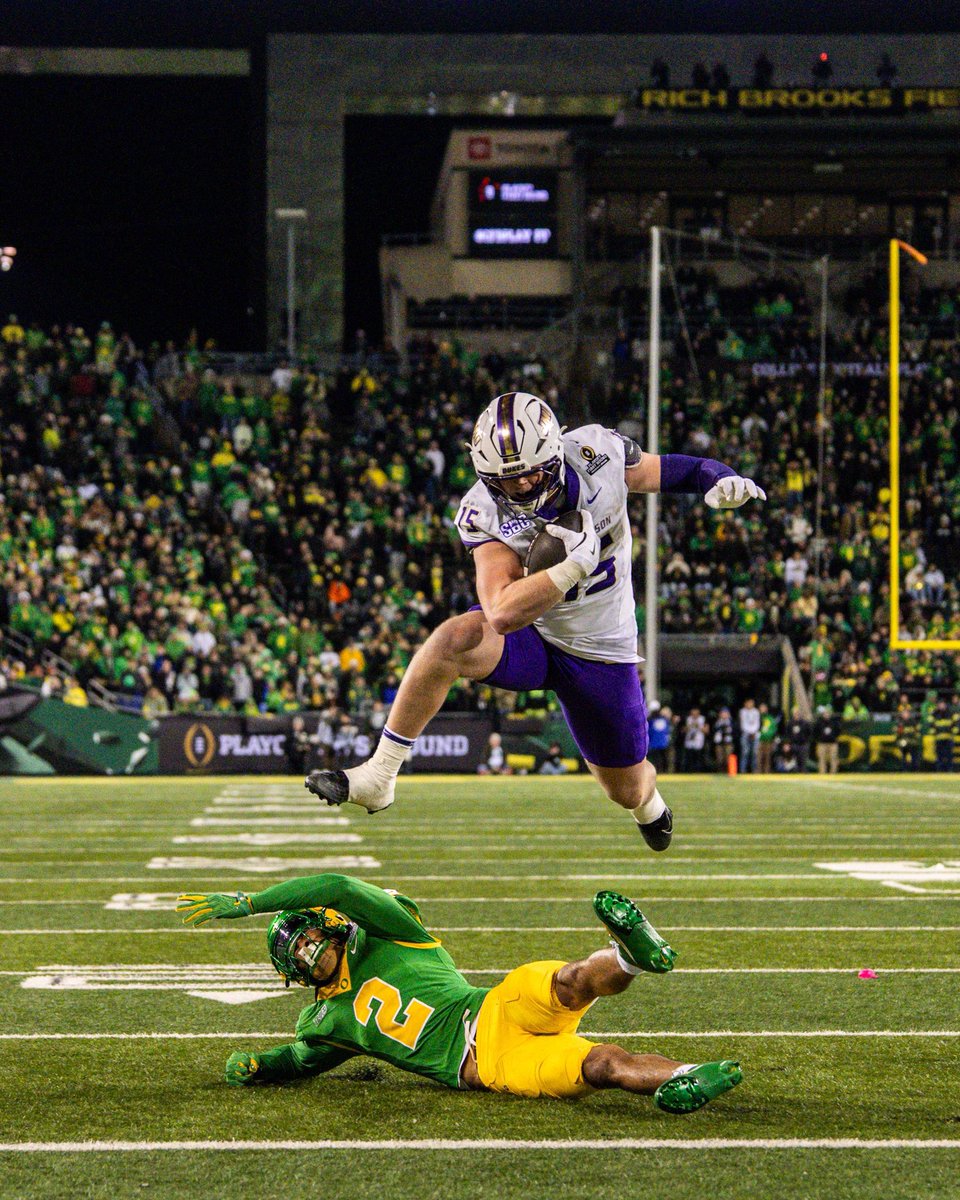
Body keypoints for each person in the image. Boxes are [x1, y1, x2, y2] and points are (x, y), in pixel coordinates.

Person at [305, 392, 765, 852]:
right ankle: (380, 774)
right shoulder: (481, 510)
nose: (522, 485)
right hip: (533, 635)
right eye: (506, 479)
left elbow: (673, 470)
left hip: (600, 648)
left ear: (554, 453)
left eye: (530, 472)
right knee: (455, 638)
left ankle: (651, 807)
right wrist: (567, 570)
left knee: (627, 789)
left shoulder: (596, 453)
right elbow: (502, 612)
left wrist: (720, 479)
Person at [176, 874, 742, 1113]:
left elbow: (342, 887)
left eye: (308, 939)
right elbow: (303, 1060)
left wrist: (252, 902)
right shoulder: (324, 1021)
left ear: (330, 924)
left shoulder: (394, 934)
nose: (309, 953)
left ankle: (626, 952)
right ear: (291, 974)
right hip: (492, 1064)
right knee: (601, 1066)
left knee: (569, 982)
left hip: (492, 1006)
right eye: (296, 952)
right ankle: (689, 1071)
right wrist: (260, 1066)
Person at [813, 705, 841, 774]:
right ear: (823, 714)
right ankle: (822, 774)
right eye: (825, 713)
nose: (826, 715)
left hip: (832, 743)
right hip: (822, 743)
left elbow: (838, 731)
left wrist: (834, 737)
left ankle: (833, 773)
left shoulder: (834, 722)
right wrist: (819, 739)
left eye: (828, 713)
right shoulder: (819, 722)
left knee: (833, 759)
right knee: (822, 759)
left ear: (830, 714)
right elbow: (815, 732)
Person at [738, 697, 760, 773]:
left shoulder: (756, 712)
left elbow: (757, 724)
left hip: (755, 734)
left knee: (755, 753)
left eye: (751, 702)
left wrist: (753, 732)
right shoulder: (742, 712)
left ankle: (754, 770)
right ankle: (743, 770)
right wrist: (749, 732)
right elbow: (743, 724)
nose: (750, 704)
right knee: (745, 752)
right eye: (748, 702)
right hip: (745, 734)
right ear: (745, 703)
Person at [712, 706, 734, 772]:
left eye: (725, 713)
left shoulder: (731, 722)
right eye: (722, 713)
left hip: (728, 742)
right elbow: (714, 731)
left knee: (727, 758)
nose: (724, 715)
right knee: (719, 759)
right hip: (719, 743)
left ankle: (728, 772)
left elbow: (735, 732)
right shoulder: (717, 722)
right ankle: (720, 772)